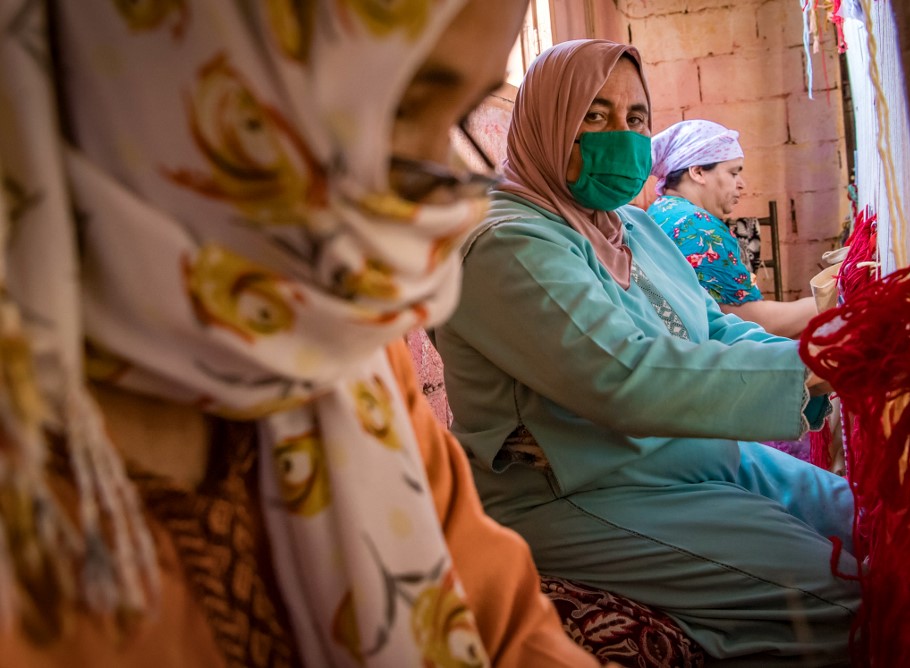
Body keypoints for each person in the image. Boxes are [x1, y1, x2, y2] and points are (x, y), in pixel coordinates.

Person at [0, 1, 600, 666]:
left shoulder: (346, 357)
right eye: (399, 107)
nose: (450, 208)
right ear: (172, 69)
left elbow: (507, 627)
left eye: (460, 115)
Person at [433, 39, 860, 666]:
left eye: (636, 118)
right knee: (842, 598)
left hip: (680, 457)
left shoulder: (633, 227)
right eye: (594, 115)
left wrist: (822, 349)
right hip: (579, 490)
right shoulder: (506, 244)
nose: (623, 136)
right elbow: (623, 376)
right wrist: (818, 364)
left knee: (863, 523)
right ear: (547, 121)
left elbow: (713, 329)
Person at [647, 120, 818, 338]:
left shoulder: (660, 210)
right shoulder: (698, 226)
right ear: (698, 172)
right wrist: (832, 298)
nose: (741, 184)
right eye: (733, 173)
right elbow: (753, 322)